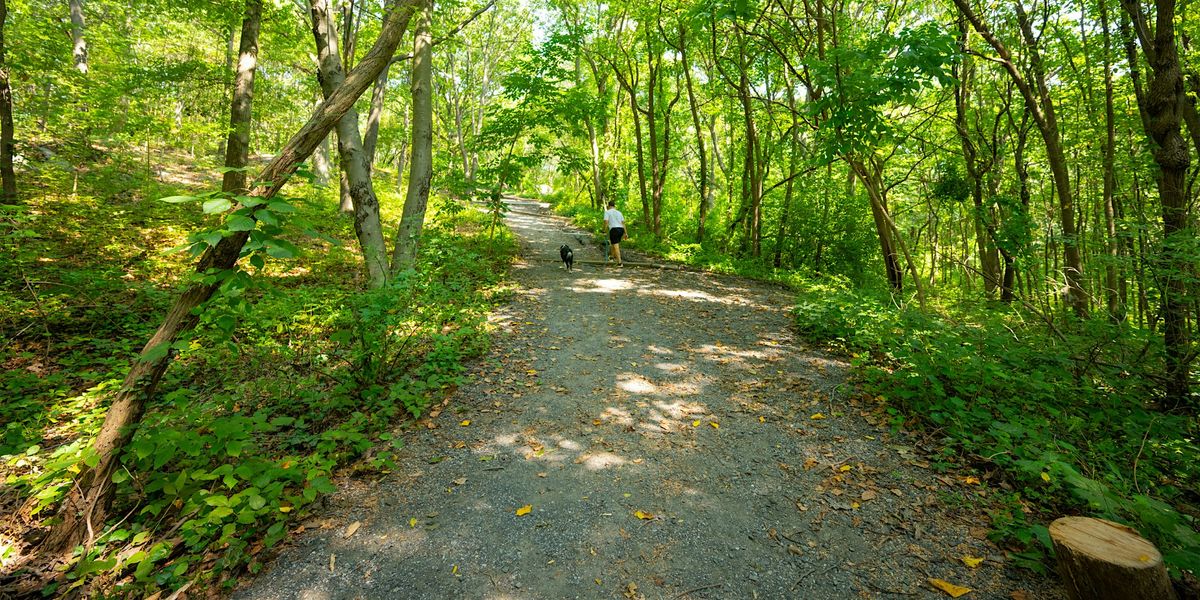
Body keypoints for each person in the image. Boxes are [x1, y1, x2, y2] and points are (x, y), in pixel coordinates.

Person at [603, 201, 625, 265]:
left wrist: (604, 230)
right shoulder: (619, 212)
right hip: (621, 229)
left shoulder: (607, 212)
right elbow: (623, 223)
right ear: (614, 205)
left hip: (614, 230)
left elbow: (606, 222)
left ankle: (620, 262)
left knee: (616, 246)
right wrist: (625, 233)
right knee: (613, 244)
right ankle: (612, 258)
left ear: (609, 206)